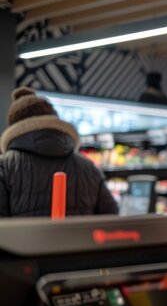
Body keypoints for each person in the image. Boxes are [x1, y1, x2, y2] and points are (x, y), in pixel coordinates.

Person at [0, 87, 118, 216]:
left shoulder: (4, 167)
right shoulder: (88, 167)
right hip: (79, 237)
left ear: (13, 126)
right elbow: (110, 217)